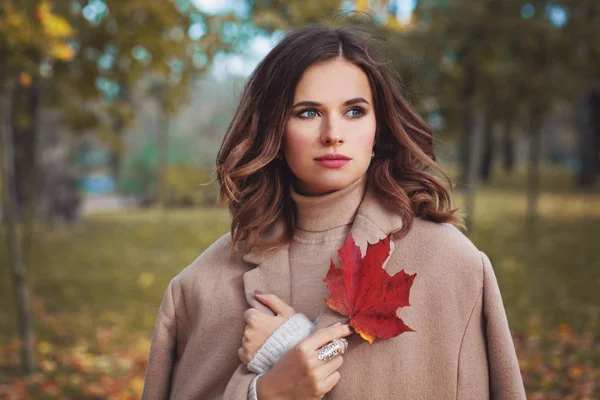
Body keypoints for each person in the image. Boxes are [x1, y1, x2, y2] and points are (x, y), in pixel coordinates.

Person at [142, 25, 526, 400]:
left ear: (380, 128)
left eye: (355, 111)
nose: (333, 133)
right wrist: (263, 394)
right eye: (308, 113)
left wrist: (291, 347)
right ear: (274, 131)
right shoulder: (198, 289)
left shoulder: (454, 267)